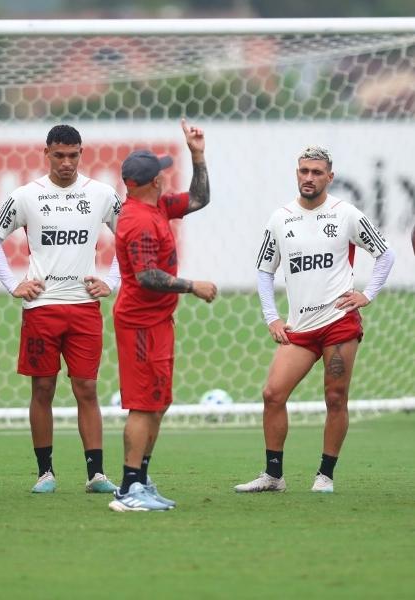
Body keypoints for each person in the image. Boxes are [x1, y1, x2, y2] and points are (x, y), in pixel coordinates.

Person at [235, 146, 395, 494]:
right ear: (297, 173)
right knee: (272, 394)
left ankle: (325, 475)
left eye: (317, 172)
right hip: (300, 328)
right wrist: (272, 318)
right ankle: (273, 476)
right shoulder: (281, 219)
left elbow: (385, 254)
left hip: (339, 323)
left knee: (335, 398)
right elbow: (264, 271)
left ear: (329, 177)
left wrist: (367, 294)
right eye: (304, 171)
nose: (309, 178)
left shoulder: (346, 214)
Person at [0, 124, 121, 494]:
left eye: (72, 155)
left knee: (87, 389)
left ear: (81, 153)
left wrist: (112, 281)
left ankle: (96, 475)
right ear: (46, 154)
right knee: (42, 388)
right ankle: (45, 473)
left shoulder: (102, 194)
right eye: (58, 155)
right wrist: (14, 284)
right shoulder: (27, 196)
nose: (65, 162)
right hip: (41, 307)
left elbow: (129, 235)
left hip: (84, 306)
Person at [108, 119, 217, 512]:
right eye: (161, 173)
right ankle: (128, 489)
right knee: (143, 403)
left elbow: (200, 199)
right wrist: (192, 285)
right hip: (139, 323)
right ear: (151, 182)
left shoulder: (157, 207)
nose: (165, 178)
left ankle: (141, 478)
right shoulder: (137, 220)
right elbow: (146, 276)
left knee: (158, 401)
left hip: (157, 322)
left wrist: (198, 155)